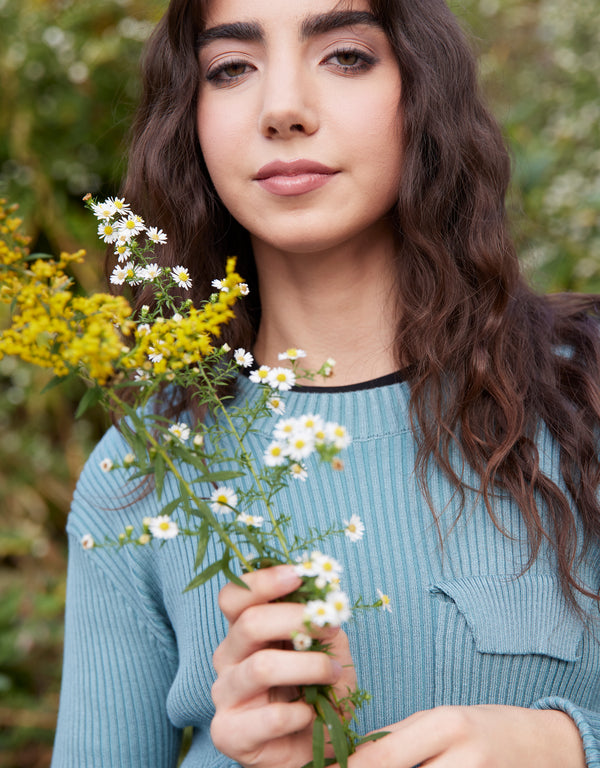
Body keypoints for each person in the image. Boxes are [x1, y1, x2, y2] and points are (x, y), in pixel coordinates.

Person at [51, 0, 600, 766]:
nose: (282, 109)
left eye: (345, 56)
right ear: (191, 118)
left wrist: (566, 747)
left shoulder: (584, 390)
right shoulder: (140, 472)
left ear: (422, 85)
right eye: (231, 69)